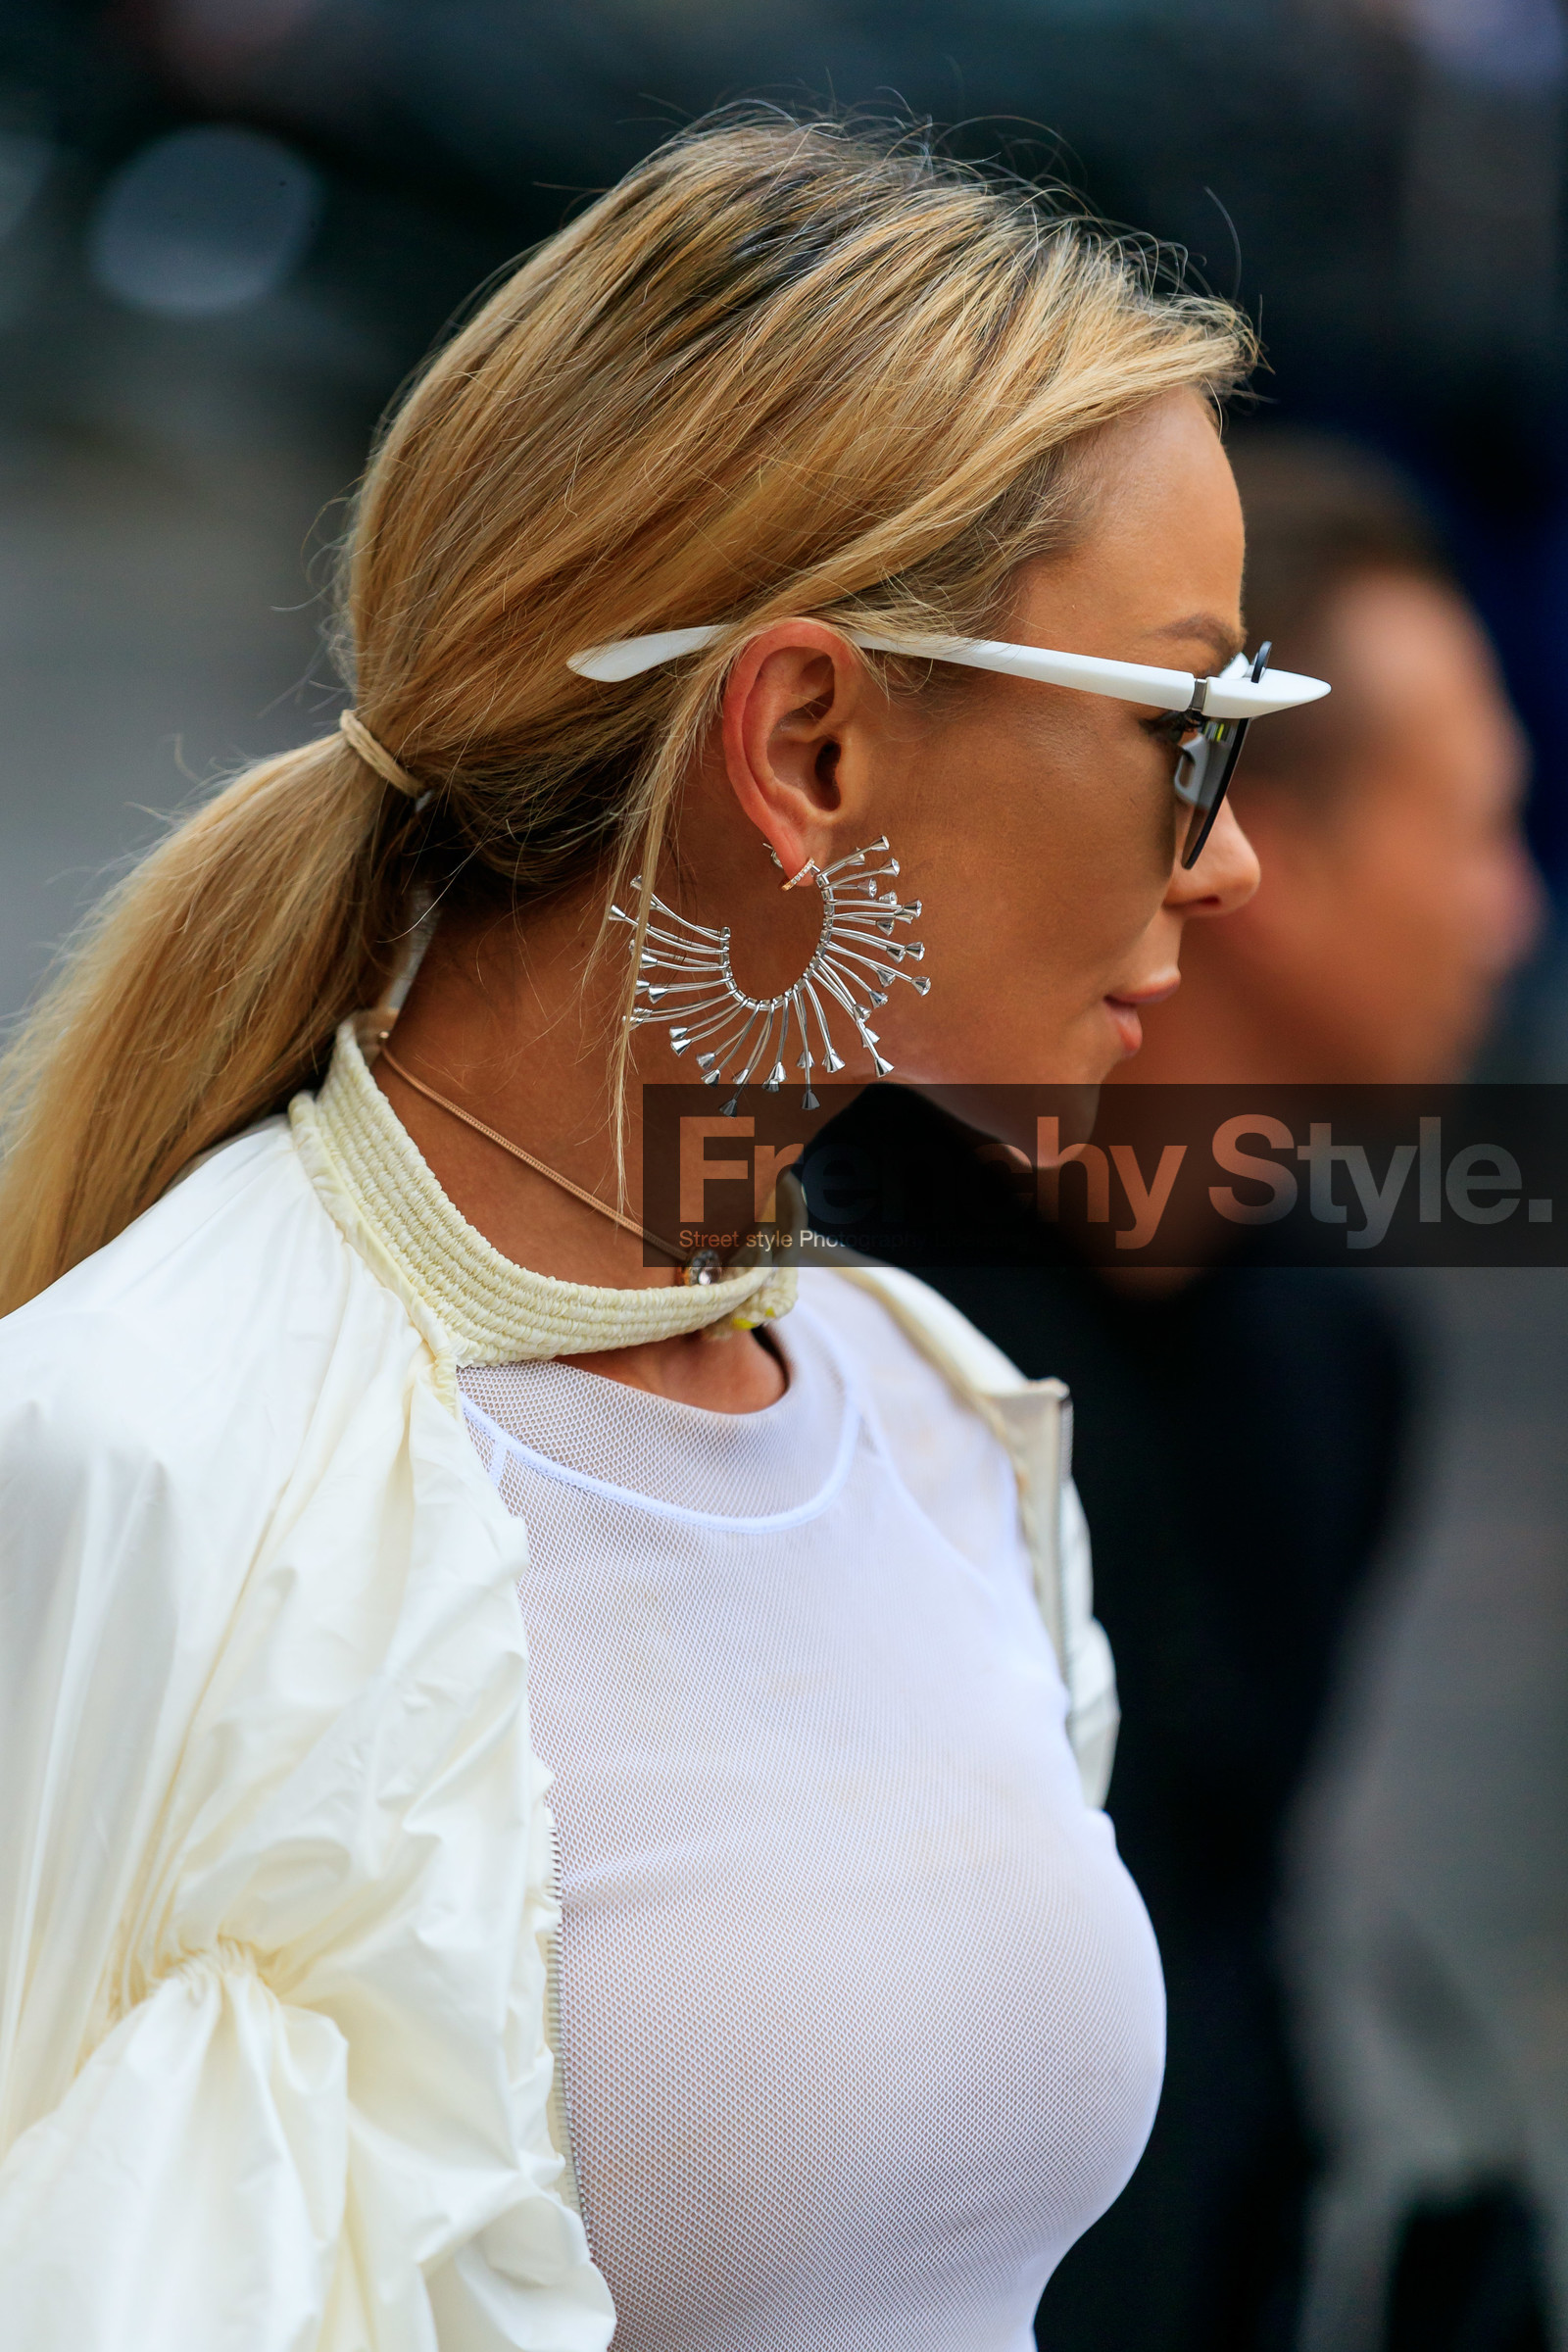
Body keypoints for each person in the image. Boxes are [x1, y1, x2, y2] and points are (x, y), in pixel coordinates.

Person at [0, 114, 1325, 2350]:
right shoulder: (127, 1465)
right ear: (803, 738)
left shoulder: (941, 1418)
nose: (1229, 863)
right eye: (1186, 725)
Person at [823, 432, 1540, 2351]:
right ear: (1265, 858)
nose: (1509, 917)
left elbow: (1228, 1947)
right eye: (1472, 834)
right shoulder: (804, 1316)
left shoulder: (1327, 1354)